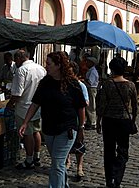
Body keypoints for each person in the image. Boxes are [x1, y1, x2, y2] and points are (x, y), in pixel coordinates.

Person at [18, 51, 87, 188]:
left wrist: (81, 128)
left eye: (49, 64)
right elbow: (35, 103)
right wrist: (25, 122)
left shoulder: (72, 84)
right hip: (49, 128)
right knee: (58, 162)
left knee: (57, 163)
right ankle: (63, 184)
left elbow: (81, 108)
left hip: (67, 129)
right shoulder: (45, 82)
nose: (46, 66)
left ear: (59, 65)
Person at [96, 57, 138, 188]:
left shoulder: (107, 84)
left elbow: (102, 105)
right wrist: (133, 120)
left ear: (112, 69)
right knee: (123, 150)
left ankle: (109, 179)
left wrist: (98, 121)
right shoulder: (131, 85)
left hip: (109, 120)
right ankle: (117, 177)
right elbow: (135, 106)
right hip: (124, 120)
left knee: (109, 150)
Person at [7, 50, 46, 169]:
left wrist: (10, 104)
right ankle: (36, 156)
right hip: (37, 106)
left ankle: (29, 160)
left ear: (19, 58)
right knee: (36, 131)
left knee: (28, 134)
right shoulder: (40, 68)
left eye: (16, 60)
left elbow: (18, 93)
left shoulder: (21, 70)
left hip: (24, 108)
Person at [66, 61, 89, 180]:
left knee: (79, 144)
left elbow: (85, 103)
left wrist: (82, 125)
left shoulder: (81, 86)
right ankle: (67, 161)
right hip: (67, 119)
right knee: (66, 141)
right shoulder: (64, 85)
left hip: (77, 118)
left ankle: (79, 167)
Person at [84, 56, 99, 130]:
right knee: (89, 106)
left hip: (91, 89)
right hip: (90, 88)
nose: (86, 63)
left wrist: (84, 80)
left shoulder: (93, 71)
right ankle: (90, 121)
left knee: (91, 106)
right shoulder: (90, 70)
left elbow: (90, 82)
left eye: (88, 62)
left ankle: (93, 122)